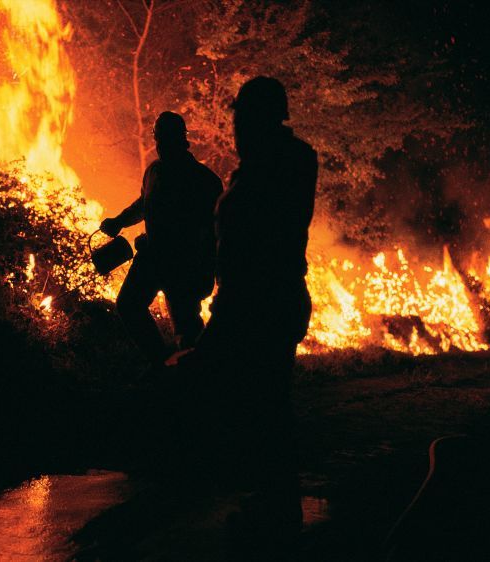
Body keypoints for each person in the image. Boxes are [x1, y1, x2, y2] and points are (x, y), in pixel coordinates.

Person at [192, 76, 317, 558]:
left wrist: (220, 320)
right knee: (264, 405)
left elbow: (252, 248)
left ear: (263, 117)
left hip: (260, 303)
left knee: (259, 404)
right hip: (269, 300)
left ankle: (274, 520)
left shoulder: (275, 165)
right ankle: (273, 508)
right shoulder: (279, 161)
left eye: (241, 117)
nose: (235, 126)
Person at [100, 111, 223, 365]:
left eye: (165, 139)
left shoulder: (203, 181)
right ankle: (160, 364)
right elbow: (144, 204)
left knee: (187, 330)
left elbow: (212, 232)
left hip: (184, 265)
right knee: (128, 305)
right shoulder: (154, 171)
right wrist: (119, 221)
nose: (160, 145)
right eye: (158, 139)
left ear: (181, 140)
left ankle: (198, 381)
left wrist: (207, 270)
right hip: (154, 258)